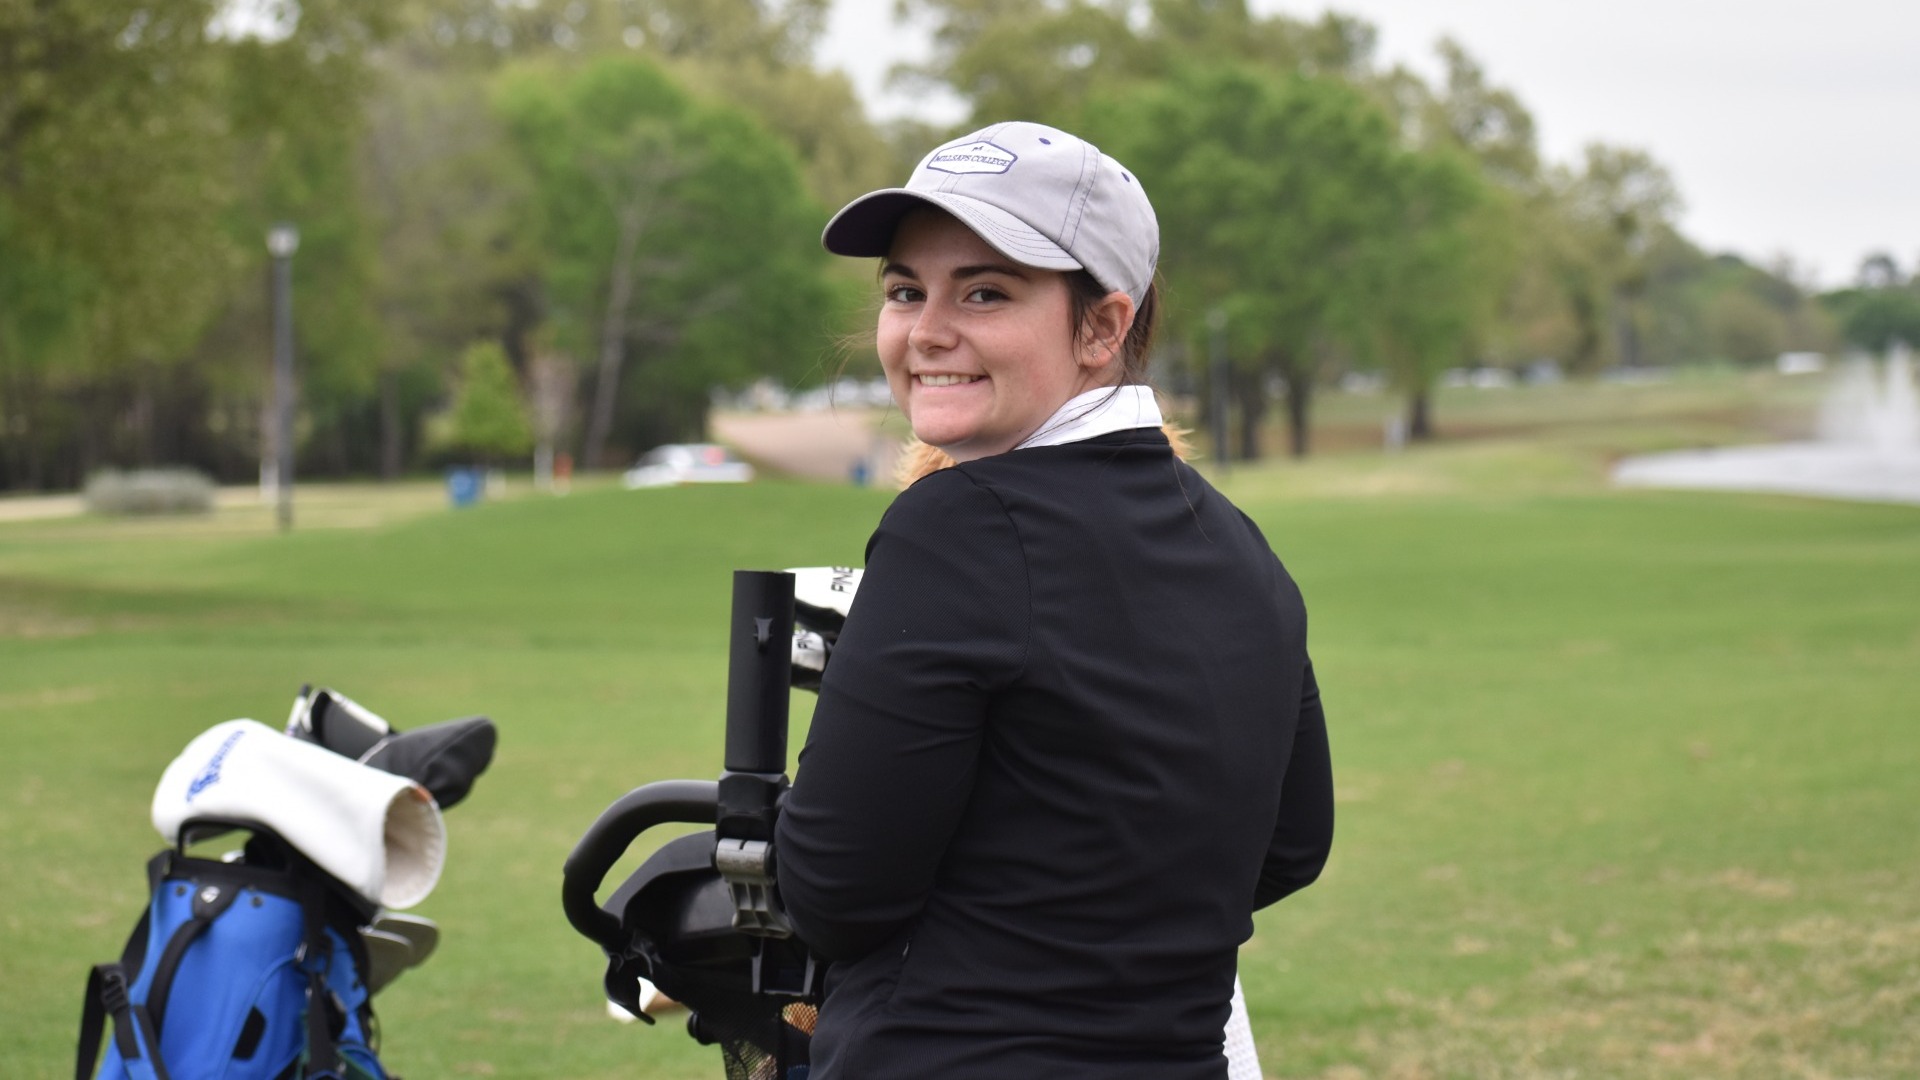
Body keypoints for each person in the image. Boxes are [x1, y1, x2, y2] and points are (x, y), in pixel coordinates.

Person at [774, 120, 1334, 1079]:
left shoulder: (956, 522)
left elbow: (837, 890)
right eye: (907, 291)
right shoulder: (1239, 546)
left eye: (986, 292)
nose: (927, 331)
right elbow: (1287, 845)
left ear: (1103, 327)